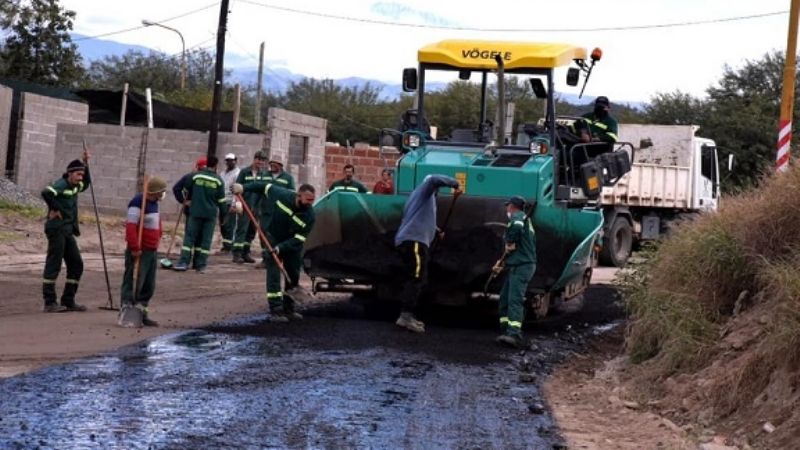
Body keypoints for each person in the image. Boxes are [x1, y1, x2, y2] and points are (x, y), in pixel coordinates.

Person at [233, 181, 316, 322]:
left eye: (312, 200)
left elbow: (299, 238)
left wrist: (281, 248)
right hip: (272, 238)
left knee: (293, 275)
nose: (310, 203)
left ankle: (289, 308)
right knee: (274, 274)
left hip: (291, 245)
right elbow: (263, 186)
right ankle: (276, 309)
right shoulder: (281, 194)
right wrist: (243, 188)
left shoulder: (310, 216)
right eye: (308, 199)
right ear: (298, 195)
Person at [393, 174, 461, 333]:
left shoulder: (420, 199)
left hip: (413, 240)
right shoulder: (425, 189)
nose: (437, 191)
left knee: (418, 277)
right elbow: (433, 179)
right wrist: (455, 184)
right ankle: (405, 316)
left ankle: (408, 314)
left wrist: (435, 230)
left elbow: (417, 218)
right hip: (414, 241)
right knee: (416, 278)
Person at [40, 151, 92, 312]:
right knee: (54, 263)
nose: (80, 177)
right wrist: (54, 208)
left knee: (76, 264)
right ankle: (49, 302)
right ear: (69, 174)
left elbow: (87, 183)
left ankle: (68, 299)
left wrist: (86, 164)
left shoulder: (76, 186)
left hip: (68, 231)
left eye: (81, 174)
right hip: (57, 229)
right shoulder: (61, 184)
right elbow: (46, 192)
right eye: (77, 174)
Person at [120, 176, 167, 327]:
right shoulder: (137, 202)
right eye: (161, 192)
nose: (162, 195)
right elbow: (131, 226)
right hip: (140, 250)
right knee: (134, 282)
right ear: (155, 192)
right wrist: (134, 247)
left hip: (151, 250)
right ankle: (127, 312)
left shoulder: (154, 204)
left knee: (148, 284)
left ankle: (142, 313)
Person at [494, 196, 537, 349]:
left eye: (508, 206)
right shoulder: (525, 219)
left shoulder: (518, 217)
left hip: (522, 267)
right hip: (516, 266)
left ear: (512, 206)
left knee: (514, 300)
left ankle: (514, 334)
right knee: (505, 299)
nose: (507, 209)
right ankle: (506, 331)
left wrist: (509, 240)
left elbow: (517, 227)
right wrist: (502, 262)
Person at [173, 156, 226, 273]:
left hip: (195, 212)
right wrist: (223, 217)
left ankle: (183, 262)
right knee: (205, 240)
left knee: (189, 238)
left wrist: (185, 201)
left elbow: (185, 189)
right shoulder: (218, 180)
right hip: (210, 215)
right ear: (216, 165)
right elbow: (222, 202)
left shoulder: (195, 176)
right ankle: (201, 265)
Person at [232, 151, 269, 264]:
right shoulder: (244, 172)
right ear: (254, 159)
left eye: (262, 160)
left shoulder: (263, 175)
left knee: (251, 231)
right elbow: (236, 188)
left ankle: (245, 253)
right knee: (242, 229)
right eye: (258, 159)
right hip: (245, 205)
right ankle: (237, 254)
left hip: (256, 207)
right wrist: (237, 203)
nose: (260, 162)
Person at [172, 157, 207, 269]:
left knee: (194, 237)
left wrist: (184, 201)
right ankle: (190, 261)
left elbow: (176, 188)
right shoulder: (190, 177)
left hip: (198, 212)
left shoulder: (194, 177)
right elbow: (176, 188)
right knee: (194, 237)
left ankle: (192, 261)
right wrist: (184, 201)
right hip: (195, 213)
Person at [219, 153, 241, 253]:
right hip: (222, 201)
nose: (229, 162)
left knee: (230, 225)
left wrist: (234, 204)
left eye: (231, 160)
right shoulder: (222, 174)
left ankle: (228, 246)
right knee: (222, 224)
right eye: (227, 160)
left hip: (231, 201)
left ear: (235, 161)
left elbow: (236, 191)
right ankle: (225, 245)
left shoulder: (237, 174)